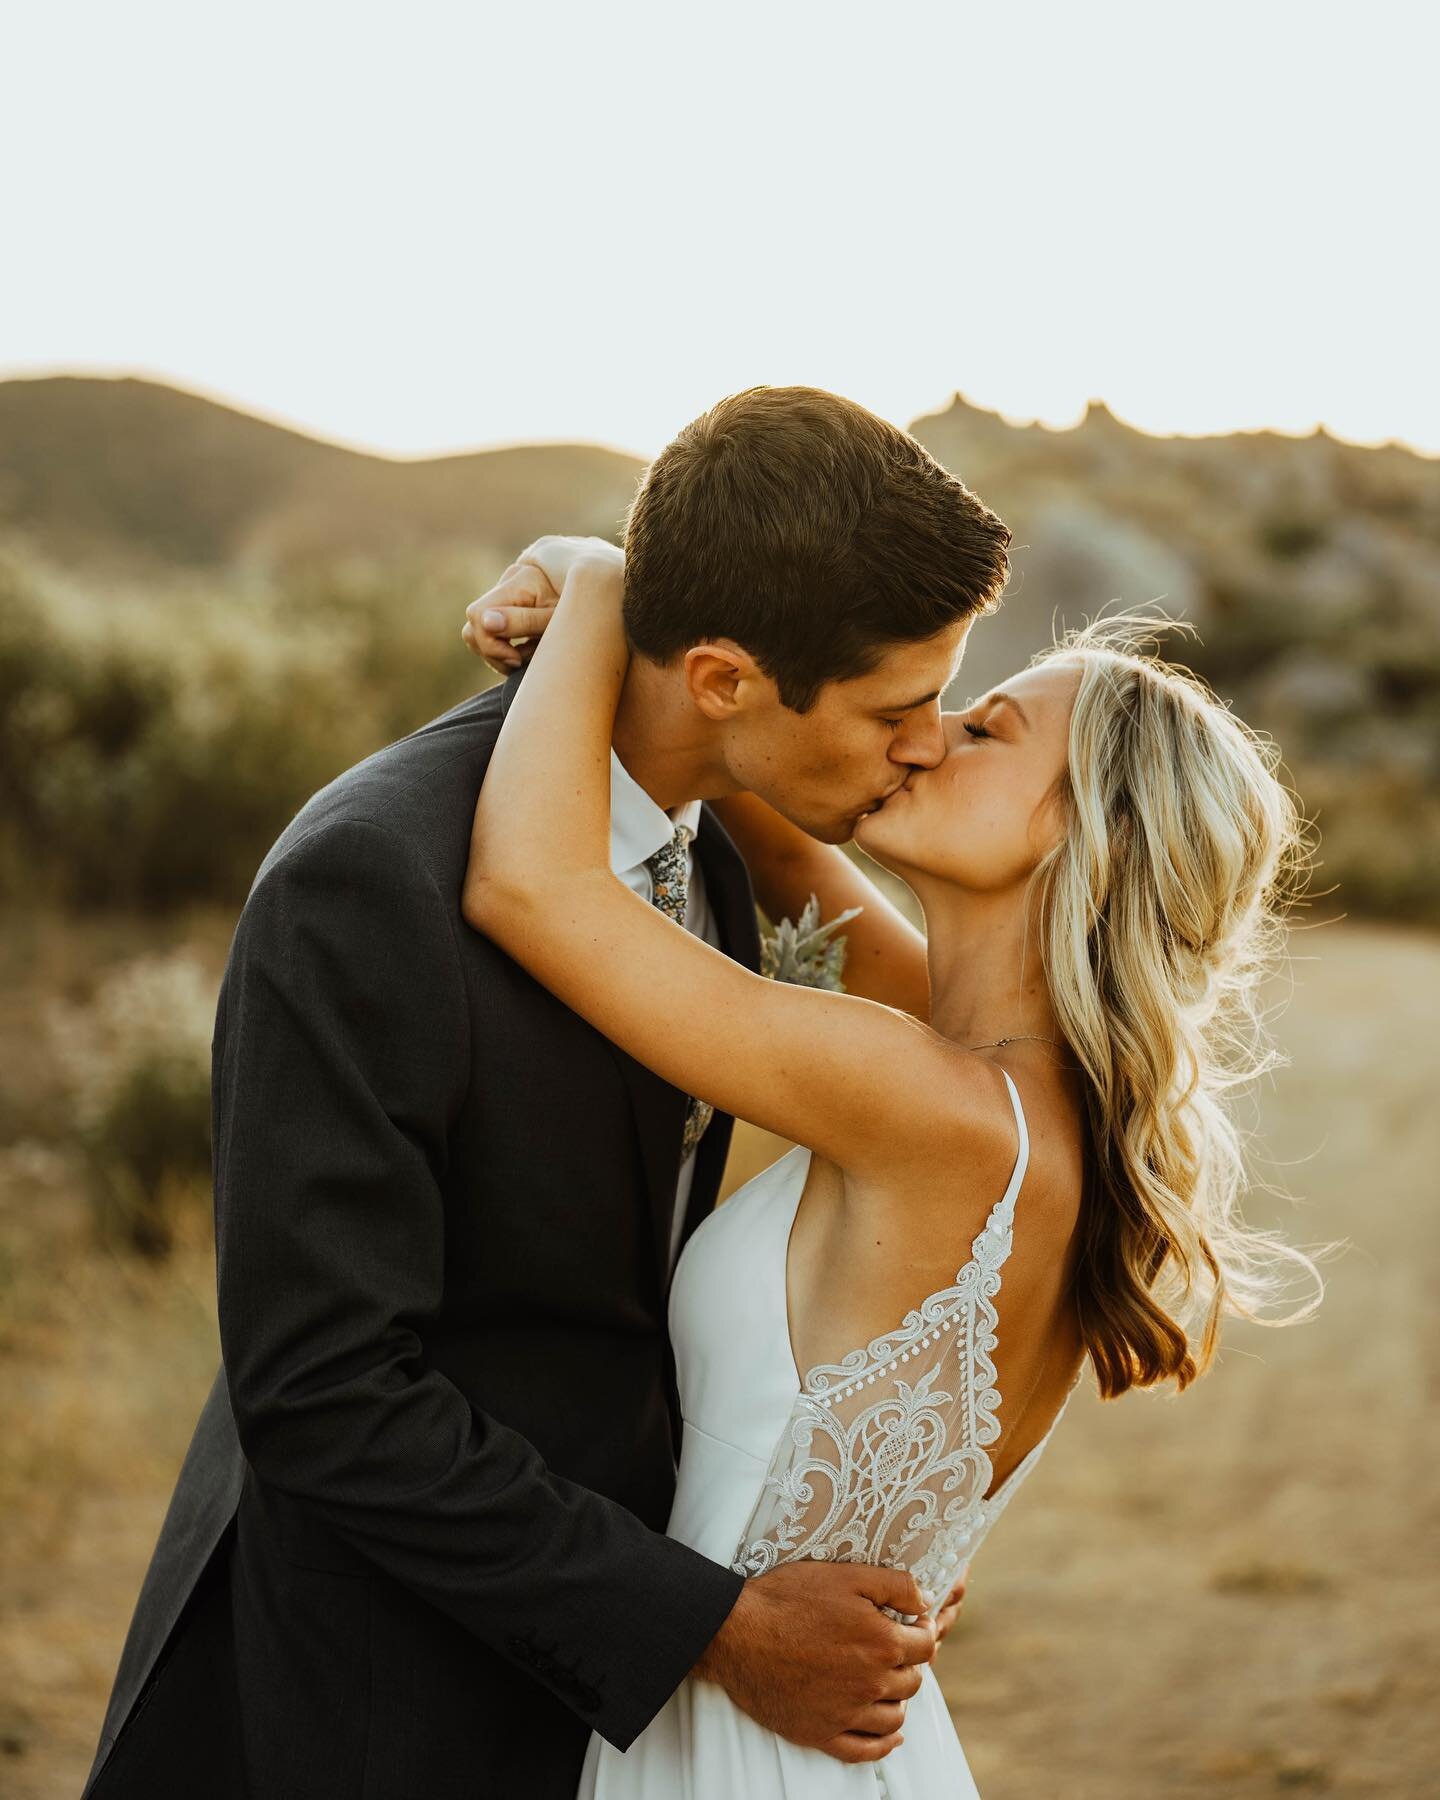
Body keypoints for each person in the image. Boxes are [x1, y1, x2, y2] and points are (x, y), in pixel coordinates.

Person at [82, 386, 1014, 1799]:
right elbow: (324, 1391)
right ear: (723, 682)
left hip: (583, 1686)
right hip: (372, 1694)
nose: (928, 742)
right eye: (900, 705)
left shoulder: (710, 856)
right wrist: (712, 1628)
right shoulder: (369, 881)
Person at [460, 537, 1323, 1796]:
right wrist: (668, 638)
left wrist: (597, 586)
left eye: (981, 733)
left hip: (740, 1750)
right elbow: (781, 839)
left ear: (1081, 829)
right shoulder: (1022, 1089)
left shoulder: (935, 1105)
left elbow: (529, 888)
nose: (920, 740)